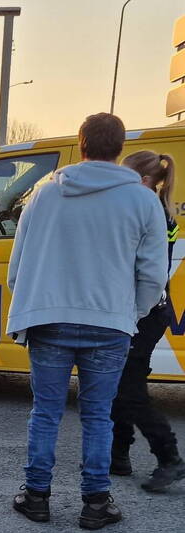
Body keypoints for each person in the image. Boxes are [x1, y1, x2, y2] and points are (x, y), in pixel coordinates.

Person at [7, 113, 168, 530]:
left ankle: (37, 496)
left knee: (46, 412)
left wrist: (32, 304)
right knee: (98, 414)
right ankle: (96, 502)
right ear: (120, 150)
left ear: (81, 145)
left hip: (49, 318)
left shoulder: (44, 194)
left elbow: (17, 265)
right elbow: (152, 274)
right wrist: (130, 313)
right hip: (110, 323)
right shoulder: (142, 200)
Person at [110, 150, 184, 492]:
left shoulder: (147, 211)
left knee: (129, 387)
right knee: (120, 381)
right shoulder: (154, 208)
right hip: (147, 309)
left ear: (141, 181)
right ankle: (118, 454)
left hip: (145, 311)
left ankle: (169, 457)